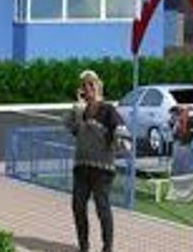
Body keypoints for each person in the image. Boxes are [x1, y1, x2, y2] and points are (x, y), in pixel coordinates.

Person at [64, 69, 125, 252]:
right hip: (81, 166)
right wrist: (77, 107)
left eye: (91, 84)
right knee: (77, 206)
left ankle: (107, 247)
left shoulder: (107, 109)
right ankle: (84, 246)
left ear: (99, 86)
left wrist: (120, 140)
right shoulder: (81, 111)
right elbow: (69, 126)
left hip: (102, 169)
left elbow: (120, 129)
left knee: (102, 207)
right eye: (84, 85)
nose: (88, 88)